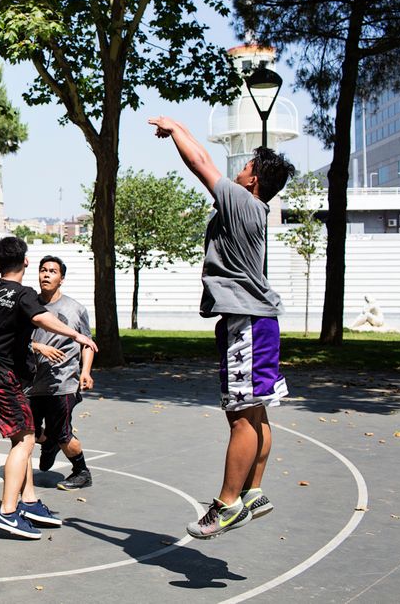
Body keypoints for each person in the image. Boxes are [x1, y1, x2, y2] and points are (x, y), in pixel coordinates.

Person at [150, 115, 294, 540]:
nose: (240, 168)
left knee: (241, 417)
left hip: (245, 322)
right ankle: (253, 491)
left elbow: (200, 163)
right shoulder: (251, 207)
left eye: (247, 165)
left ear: (253, 181)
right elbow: (206, 157)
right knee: (256, 410)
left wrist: (175, 129)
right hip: (257, 320)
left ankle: (228, 504)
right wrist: (179, 128)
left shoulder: (243, 202)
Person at [0, 236, 98, 539]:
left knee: (24, 437)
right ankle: (7, 512)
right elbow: (42, 318)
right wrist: (77, 336)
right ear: (27, 262)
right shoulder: (23, 293)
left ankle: (28, 502)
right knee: (27, 439)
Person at [27, 256, 95, 491]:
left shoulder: (75, 309)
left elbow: (87, 343)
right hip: (32, 382)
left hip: (63, 382)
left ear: (61, 278)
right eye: (43, 270)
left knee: (62, 432)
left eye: (52, 271)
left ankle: (81, 472)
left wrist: (85, 371)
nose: (46, 274)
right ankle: (49, 442)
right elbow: (16, 340)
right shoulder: (28, 306)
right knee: (27, 430)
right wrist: (39, 347)